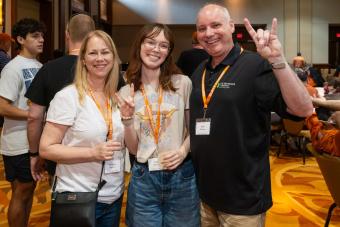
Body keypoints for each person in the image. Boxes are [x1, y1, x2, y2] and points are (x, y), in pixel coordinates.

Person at [190, 4, 313, 227]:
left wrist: (278, 60)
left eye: (215, 25)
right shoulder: (200, 71)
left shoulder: (256, 65)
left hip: (243, 200)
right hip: (204, 196)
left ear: (231, 27)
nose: (208, 33)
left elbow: (302, 110)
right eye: (202, 28)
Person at [117, 23, 200, 227]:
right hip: (144, 178)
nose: (156, 49)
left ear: (169, 52)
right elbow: (135, 149)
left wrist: (182, 151)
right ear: (139, 45)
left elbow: (195, 130)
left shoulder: (182, 83)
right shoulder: (126, 91)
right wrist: (127, 121)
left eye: (163, 45)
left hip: (181, 175)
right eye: (151, 42)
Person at [39, 30, 125, 227]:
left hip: (112, 196)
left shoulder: (117, 97)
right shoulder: (68, 97)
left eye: (105, 52)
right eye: (93, 53)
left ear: (113, 57)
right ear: (83, 59)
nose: (100, 58)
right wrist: (92, 152)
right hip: (77, 195)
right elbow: (46, 148)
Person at [25, 14, 95, 182]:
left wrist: (35, 153)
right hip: (99, 152)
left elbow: (34, 116)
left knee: (64, 200)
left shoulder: (48, 69)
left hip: (59, 154)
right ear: (94, 35)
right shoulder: (104, 68)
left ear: (67, 35)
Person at [0, 18, 45, 227]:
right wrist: (32, 115)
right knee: (21, 192)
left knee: (29, 191)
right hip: (17, 142)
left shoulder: (39, 66)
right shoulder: (12, 68)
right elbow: (2, 107)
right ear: (20, 39)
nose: (41, 40)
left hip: (34, 142)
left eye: (42, 35)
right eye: (35, 36)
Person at [0, 33, 13, 131]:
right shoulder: (2, 56)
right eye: (9, 43)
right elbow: (10, 72)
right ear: (3, 43)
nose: (10, 45)